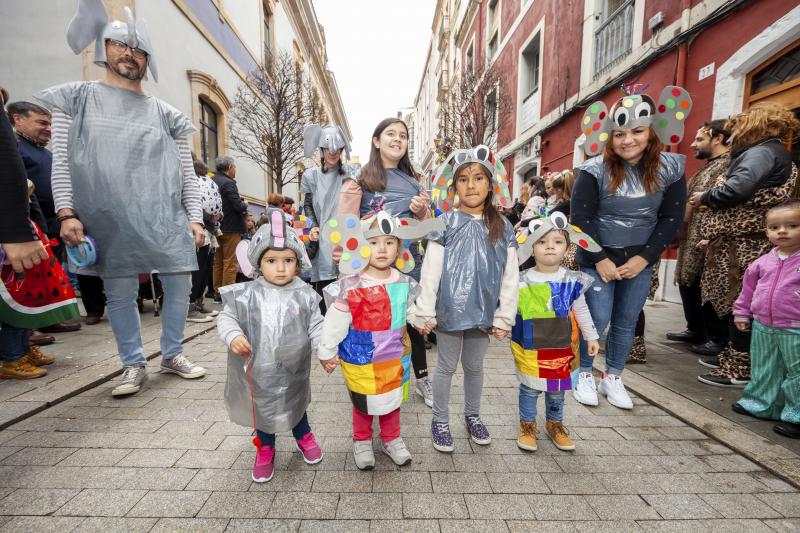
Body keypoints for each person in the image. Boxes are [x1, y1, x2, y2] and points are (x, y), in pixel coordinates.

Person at [35, 1, 207, 396]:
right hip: (107, 218)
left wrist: (194, 218)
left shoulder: (167, 113)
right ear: (103, 48)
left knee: (179, 286)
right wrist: (66, 213)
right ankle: (132, 364)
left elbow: (186, 173)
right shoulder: (75, 99)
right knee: (120, 293)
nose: (129, 53)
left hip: (164, 219)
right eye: (119, 44)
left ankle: (172, 353)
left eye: (138, 49)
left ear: (148, 58)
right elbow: (60, 161)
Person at [571, 85, 690, 409]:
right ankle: (582, 374)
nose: (628, 140)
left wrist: (645, 258)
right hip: (598, 260)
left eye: (637, 131)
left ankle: (613, 377)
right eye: (619, 133)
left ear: (651, 131)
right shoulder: (593, 169)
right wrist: (600, 260)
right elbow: (580, 219)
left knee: (627, 319)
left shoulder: (671, 168)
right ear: (609, 135)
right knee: (595, 318)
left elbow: (671, 218)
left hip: (639, 260)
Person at [317, 210, 443, 469]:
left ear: (399, 247)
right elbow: (337, 319)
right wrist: (327, 350)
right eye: (373, 242)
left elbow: (408, 310)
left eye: (389, 242)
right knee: (363, 401)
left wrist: (422, 322)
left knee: (392, 401)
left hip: (394, 355)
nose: (382, 249)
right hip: (361, 357)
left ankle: (392, 438)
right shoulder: (353, 284)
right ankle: (362, 440)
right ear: (361, 247)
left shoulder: (403, 282)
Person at [414, 145, 519, 452]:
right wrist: (424, 311)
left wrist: (504, 317)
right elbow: (431, 271)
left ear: (490, 184)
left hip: (484, 312)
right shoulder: (444, 223)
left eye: (477, 178)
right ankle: (440, 420)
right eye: (463, 179)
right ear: (454, 186)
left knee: (474, 366)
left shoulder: (503, 226)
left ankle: (472, 416)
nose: (471, 185)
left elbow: (511, 277)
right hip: (450, 311)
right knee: (446, 366)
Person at [690, 102, 798, 387]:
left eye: (736, 128)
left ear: (753, 126)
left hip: (743, 247)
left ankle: (740, 368)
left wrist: (705, 197)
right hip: (737, 243)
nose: (732, 135)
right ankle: (732, 356)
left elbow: (736, 189)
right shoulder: (769, 151)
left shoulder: (762, 152)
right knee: (734, 302)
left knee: (742, 304)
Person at [217, 209, 324, 482]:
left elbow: (317, 324)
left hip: (294, 368)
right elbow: (227, 317)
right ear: (257, 263)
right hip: (259, 369)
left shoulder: (305, 294)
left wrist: (324, 347)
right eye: (272, 260)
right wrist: (233, 335)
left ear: (298, 262)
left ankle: (303, 435)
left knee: (295, 403)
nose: (280, 267)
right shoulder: (247, 294)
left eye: (288, 260)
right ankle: (265, 447)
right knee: (263, 409)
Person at [338, 117, 435, 407]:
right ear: (376, 141)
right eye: (390, 134)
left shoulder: (414, 181)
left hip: (406, 263)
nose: (397, 139)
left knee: (410, 322)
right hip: (370, 267)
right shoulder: (359, 180)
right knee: (371, 324)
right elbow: (346, 228)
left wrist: (421, 212)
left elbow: (428, 227)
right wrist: (347, 268)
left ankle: (421, 378)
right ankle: (365, 376)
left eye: (403, 135)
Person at [513, 212, 600, 451]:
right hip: (530, 347)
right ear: (531, 248)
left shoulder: (572, 281)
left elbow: (581, 309)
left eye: (557, 241)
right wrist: (499, 324)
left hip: (562, 347)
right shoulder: (521, 280)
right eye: (542, 241)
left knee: (557, 390)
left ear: (567, 248)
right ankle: (528, 425)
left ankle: (555, 424)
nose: (550, 246)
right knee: (530, 388)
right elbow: (509, 308)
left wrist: (591, 335)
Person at [8, 101, 85, 336]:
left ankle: (47, 320)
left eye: (50, 123)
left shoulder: (46, 153)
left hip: (52, 224)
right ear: (17, 120)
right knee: (26, 280)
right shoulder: (15, 148)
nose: (49, 128)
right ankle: (26, 331)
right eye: (42, 122)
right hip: (30, 228)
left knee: (47, 278)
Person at [730, 200, 800, 439]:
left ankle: (797, 415)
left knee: (797, 372)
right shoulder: (762, 262)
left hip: (795, 328)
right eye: (774, 227)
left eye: (792, 225)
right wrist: (742, 313)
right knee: (764, 367)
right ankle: (761, 404)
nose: (782, 231)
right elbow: (747, 290)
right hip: (763, 325)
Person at [1, 180, 79, 378]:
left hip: (23, 266)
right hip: (10, 271)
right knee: (13, 315)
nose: (28, 201)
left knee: (26, 309)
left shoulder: (21, 216)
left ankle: (24, 352)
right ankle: (13, 358)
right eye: (25, 197)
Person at [667, 120, 732, 356]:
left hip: (709, 235)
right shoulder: (708, 165)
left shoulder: (727, 166)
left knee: (706, 285)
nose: (693, 144)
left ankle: (715, 337)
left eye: (699, 140)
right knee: (688, 281)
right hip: (692, 233)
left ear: (718, 139)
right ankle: (695, 328)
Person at [301, 123, 356, 309]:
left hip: (347, 240)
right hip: (323, 241)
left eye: (337, 149)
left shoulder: (351, 173)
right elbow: (307, 205)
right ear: (321, 149)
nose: (332, 153)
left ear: (342, 149)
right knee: (324, 300)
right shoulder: (310, 176)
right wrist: (313, 226)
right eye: (327, 149)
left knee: (346, 301)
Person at [187, 159, 221, 323]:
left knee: (205, 268)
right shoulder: (191, 183)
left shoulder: (205, 183)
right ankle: (190, 306)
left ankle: (198, 302)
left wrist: (216, 217)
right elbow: (195, 206)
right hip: (198, 228)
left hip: (208, 228)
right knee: (197, 270)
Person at [212, 155, 248, 298]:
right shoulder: (229, 183)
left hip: (216, 227)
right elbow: (237, 206)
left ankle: (217, 292)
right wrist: (244, 204)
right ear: (229, 168)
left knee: (218, 262)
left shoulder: (213, 180)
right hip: (231, 228)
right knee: (230, 262)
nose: (235, 170)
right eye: (234, 167)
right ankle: (227, 294)